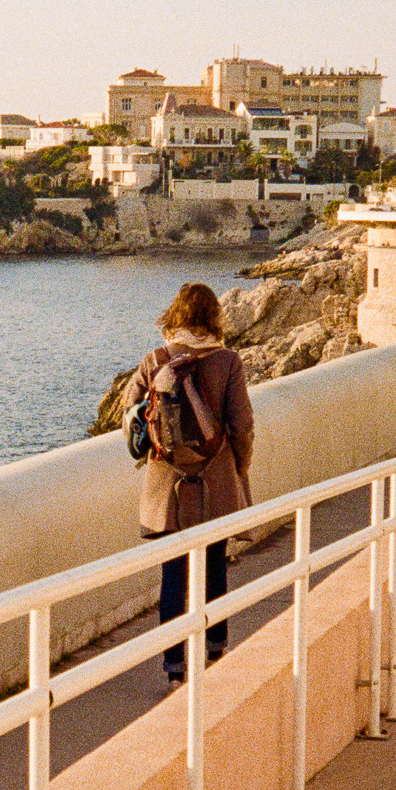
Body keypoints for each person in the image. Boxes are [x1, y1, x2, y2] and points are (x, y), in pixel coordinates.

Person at [123, 282, 254, 687]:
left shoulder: (155, 359)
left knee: (173, 576)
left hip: (167, 486)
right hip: (215, 482)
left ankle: (174, 667)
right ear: (213, 318)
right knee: (214, 566)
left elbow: (128, 415)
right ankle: (215, 649)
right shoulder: (228, 361)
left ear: (174, 316)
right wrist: (238, 469)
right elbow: (243, 426)